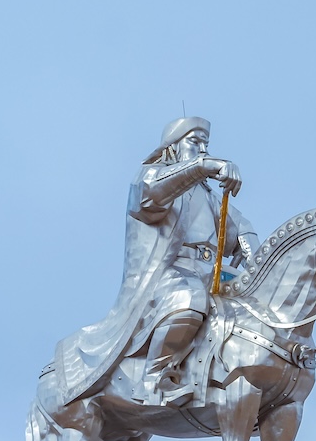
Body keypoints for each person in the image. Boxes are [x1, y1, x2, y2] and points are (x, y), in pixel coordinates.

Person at [53, 116, 257, 408]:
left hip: (213, 273)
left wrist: (256, 257)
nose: (202, 149)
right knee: (189, 299)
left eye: (206, 145)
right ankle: (155, 378)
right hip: (169, 273)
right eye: (195, 142)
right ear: (173, 147)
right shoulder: (150, 179)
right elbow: (154, 196)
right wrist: (205, 166)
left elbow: (242, 229)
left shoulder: (209, 196)